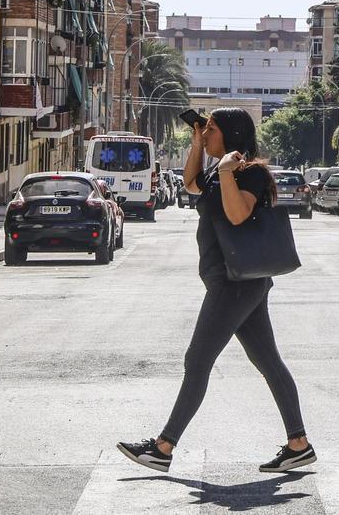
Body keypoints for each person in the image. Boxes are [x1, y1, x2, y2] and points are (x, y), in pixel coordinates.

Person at [118, 107, 315, 474]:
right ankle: (298, 443)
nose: (205, 134)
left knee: (197, 360)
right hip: (236, 281)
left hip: (234, 283)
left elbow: (238, 214)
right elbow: (191, 183)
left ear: (230, 134)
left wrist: (226, 171)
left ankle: (163, 447)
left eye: (209, 130)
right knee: (268, 361)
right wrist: (197, 145)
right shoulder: (217, 172)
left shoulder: (250, 172)